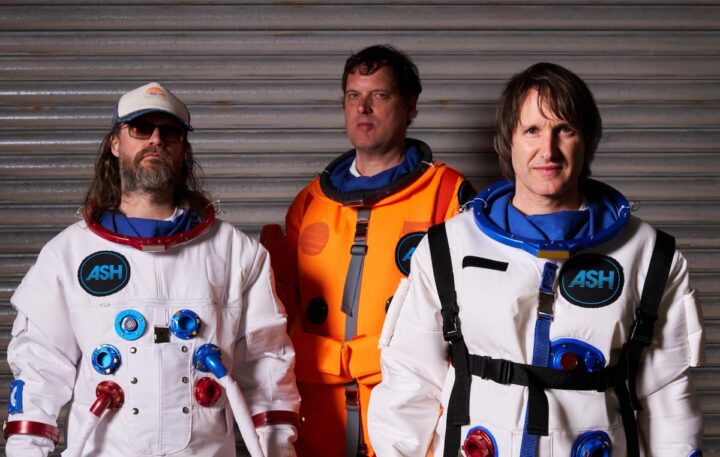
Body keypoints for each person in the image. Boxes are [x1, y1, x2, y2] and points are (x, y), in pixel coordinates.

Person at [368, 62, 705, 456]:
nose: (548, 150)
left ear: (587, 140)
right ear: (507, 142)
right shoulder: (448, 249)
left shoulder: (648, 255)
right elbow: (409, 381)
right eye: (532, 130)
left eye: (565, 129)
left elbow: (668, 396)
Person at [4, 82, 300, 457]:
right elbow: (39, 368)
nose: (155, 140)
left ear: (183, 149)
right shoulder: (69, 254)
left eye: (169, 132)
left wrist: (278, 450)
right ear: (116, 143)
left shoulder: (235, 252)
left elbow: (267, 368)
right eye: (141, 128)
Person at [261, 45, 475, 457]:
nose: (363, 108)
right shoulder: (310, 202)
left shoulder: (448, 195)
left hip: (407, 423)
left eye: (379, 95)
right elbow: (279, 314)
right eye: (353, 95)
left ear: (410, 106)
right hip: (318, 419)